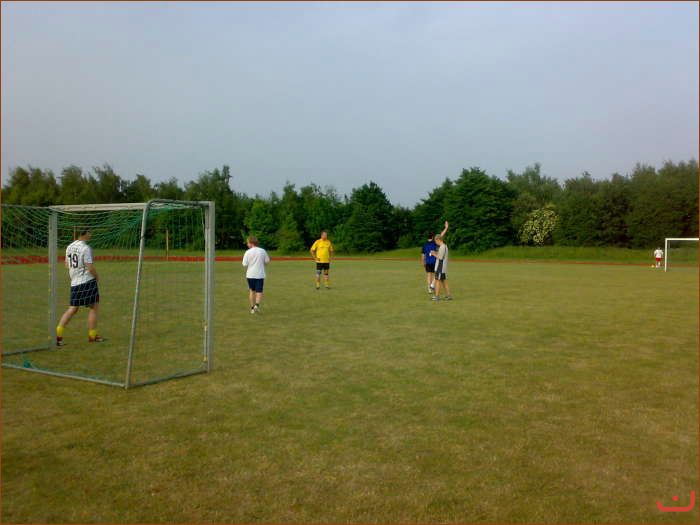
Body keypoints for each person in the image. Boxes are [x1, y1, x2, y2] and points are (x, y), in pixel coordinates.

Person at [56, 228, 103, 346]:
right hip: (87, 281)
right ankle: (92, 336)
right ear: (84, 233)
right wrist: (97, 277)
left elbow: (67, 265)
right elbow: (90, 267)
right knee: (94, 307)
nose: (90, 234)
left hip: (75, 283)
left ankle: (58, 336)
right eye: (89, 232)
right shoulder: (86, 248)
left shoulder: (69, 247)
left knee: (72, 309)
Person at [242, 236, 270, 314]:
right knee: (259, 291)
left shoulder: (247, 252)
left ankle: (252, 308)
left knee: (252, 291)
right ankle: (257, 305)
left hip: (250, 275)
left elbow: (244, 264)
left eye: (248, 243)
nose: (247, 244)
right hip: (260, 274)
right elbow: (267, 261)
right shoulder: (262, 251)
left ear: (251, 243)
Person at [420, 222, 448, 293]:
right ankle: (432, 285)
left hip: (428, 262)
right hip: (435, 262)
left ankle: (429, 288)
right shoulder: (434, 243)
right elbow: (441, 236)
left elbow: (423, 255)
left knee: (429, 275)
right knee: (436, 275)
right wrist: (446, 228)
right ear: (433, 237)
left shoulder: (424, 245)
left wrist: (423, 263)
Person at [431, 230, 452, 301]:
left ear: (438, 239)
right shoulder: (444, 246)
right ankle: (448, 296)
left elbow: (440, 258)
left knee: (437, 281)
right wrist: (435, 252)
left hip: (440, 267)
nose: (435, 242)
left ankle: (437, 296)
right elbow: (440, 255)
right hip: (442, 267)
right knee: (444, 282)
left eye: (435, 241)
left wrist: (433, 254)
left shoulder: (442, 247)